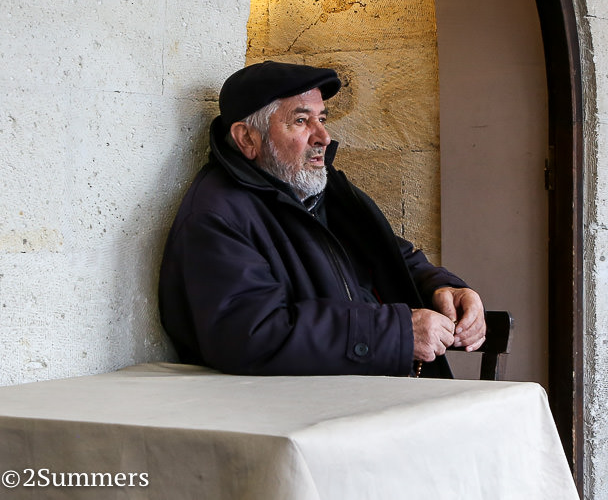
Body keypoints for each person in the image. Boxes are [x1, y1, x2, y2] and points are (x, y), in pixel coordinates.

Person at [158, 60, 486, 378]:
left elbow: (392, 256)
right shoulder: (217, 216)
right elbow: (252, 333)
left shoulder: (318, 188)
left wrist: (442, 287)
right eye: (301, 121)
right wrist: (397, 333)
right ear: (247, 138)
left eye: (322, 119)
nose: (323, 137)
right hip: (299, 413)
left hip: (366, 394)